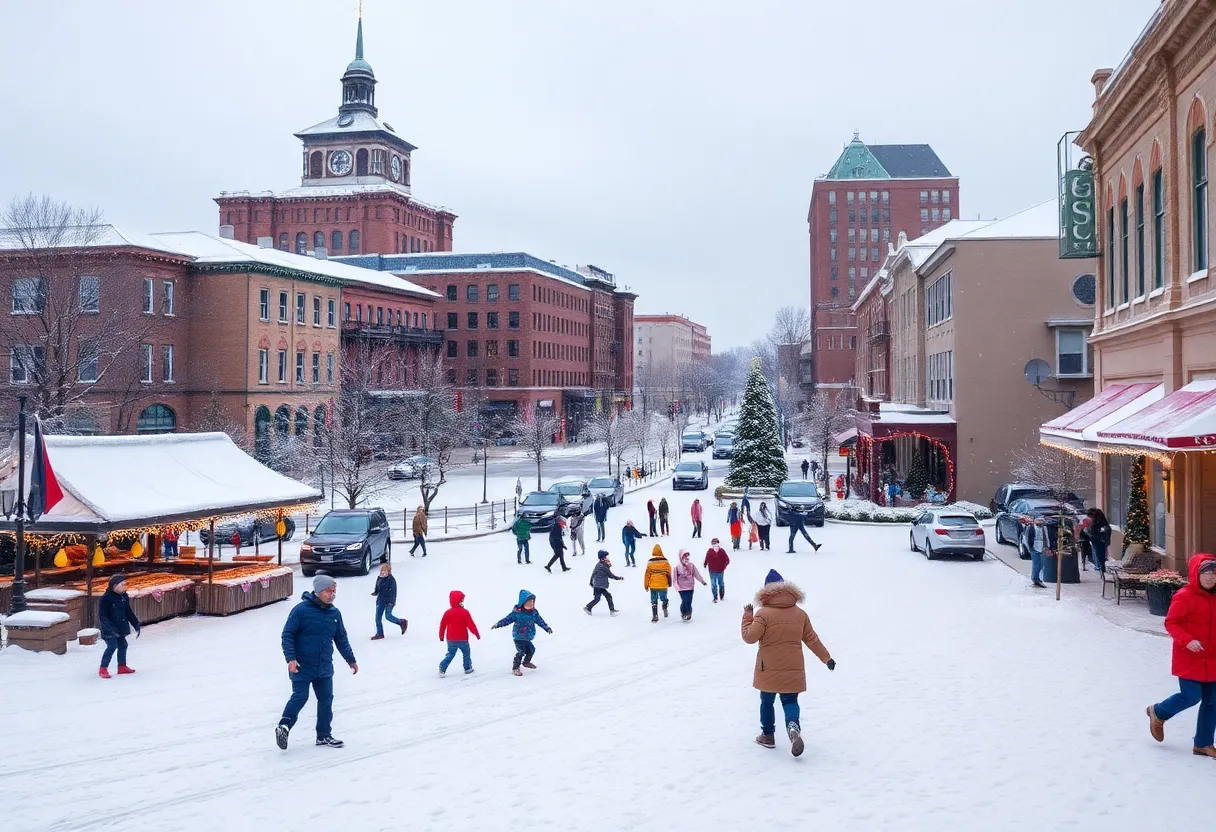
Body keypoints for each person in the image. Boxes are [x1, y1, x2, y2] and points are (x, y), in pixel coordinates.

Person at [742, 569, 835, 757]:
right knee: (790, 700)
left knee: (766, 701)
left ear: (766, 591)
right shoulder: (800, 614)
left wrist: (747, 617)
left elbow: (749, 637)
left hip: (767, 667)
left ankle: (768, 735)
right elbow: (812, 639)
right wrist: (827, 658)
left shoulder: (762, 614)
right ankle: (793, 725)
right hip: (793, 667)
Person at [1146, 554, 1216, 759]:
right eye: (1206, 573)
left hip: (1213, 659)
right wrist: (1188, 640)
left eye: (1214, 573)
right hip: (1190, 656)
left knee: (1212, 701)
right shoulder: (1184, 596)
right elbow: (1172, 623)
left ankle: (1203, 743)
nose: (1211, 577)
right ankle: (1158, 712)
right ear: (1196, 574)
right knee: (1191, 696)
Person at [276, 575, 357, 750]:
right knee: (300, 696)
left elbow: (341, 639)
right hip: (301, 665)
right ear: (319, 591)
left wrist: (350, 659)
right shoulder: (301, 611)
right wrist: (291, 659)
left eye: (334, 591)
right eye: (329, 591)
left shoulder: (334, 613)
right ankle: (284, 726)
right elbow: (287, 635)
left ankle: (324, 735)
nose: (332, 595)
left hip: (324, 665)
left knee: (326, 700)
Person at [491, 589, 552, 676]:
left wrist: (546, 628)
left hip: (528, 636)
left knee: (531, 650)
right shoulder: (517, 613)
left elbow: (540, 621)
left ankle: (526, 662)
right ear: (523, 603)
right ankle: (515, 668)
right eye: (529, 603)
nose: (531, 604)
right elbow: (507, 620)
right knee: (521, 651)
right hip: (518, 636)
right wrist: (498, 624)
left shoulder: (534, 613)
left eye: (532, 603)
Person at [97, 574, 141, 678]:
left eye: (125, 584)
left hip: (121, 626)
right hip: (109, 628)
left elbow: (128, 612)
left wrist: (136, 624)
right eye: (122, 584)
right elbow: (102, 615)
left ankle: (122, 666)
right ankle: (103, 668)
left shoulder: (123, 596)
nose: (124, 587)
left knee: (123, 645)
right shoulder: (106, 598)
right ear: (114, 586)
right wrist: (109, 628)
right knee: (112, 646)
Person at [438, 589, 480, 677]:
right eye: (462, 600)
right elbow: (471, 625)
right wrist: (476, 634)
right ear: (460, 601)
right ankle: (468, 668)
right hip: (463, 639)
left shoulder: (448, 613)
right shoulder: (465, 613)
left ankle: (442, 667)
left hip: (451, 640)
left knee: (451, 654)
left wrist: (441, 635)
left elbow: (442, 625)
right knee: (466, 653)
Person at [371, 559, 408, 640]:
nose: (382, 573)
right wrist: (375, 592)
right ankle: (380, 633)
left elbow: (392, 592)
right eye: (381, 572)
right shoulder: (379, 578)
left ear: (389, 572)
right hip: (381, 600)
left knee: (388, 616)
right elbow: (377, 587)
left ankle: (402, 622)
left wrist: (390, 602)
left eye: (384, 572)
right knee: (377, 618)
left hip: (388, 601)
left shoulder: (391, 580)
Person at [585, 550, 624, 616]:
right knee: (598, 598)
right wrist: (619, 578)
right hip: (599, 585)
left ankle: (611, 610)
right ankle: (588, 607)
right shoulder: (603, 566)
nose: (607, 558)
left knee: (607, 596)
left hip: (598, 585)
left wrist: (591, 581)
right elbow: (611, 575)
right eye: (605, 557)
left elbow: (593, 573)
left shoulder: (599, 564)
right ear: (602, 558)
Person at [674, 549, 708, 621]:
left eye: (687, 556)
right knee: (684, 601)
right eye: (684, 556)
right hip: (681, 587)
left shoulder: (691, 565)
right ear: (681, 557)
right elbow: (674, 578)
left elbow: (696, 574)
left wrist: (702, 581)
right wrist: (676, 586)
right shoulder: (677, 567)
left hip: (690, 586)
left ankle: (688, 613)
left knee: (688, 601)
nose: (686, 558)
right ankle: (684, 613)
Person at [644, 544, 674, 623]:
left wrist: (646, 585)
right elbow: (669, 572)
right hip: (663, 584)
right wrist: (669, 582)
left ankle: (655, 616)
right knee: (663, 598)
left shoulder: (650, 562)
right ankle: (664, 605)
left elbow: (647, 574)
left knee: (653, 600)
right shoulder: (665, 561)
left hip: (653, 585)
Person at [704, 538, 731, 603]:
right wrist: (705, 564)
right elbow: (706, 558)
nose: (715, 546)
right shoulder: (710, 551)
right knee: (713, 584)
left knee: (720, 583)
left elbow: (727, 560)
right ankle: (715, 597)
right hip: (712, 571)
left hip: (720, 571)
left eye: (716, 544)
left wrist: (723, 567)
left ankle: (721, 596)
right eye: (713, 544)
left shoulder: (722, 551)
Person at [1087, 508, 1112, 573]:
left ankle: (1099, 566)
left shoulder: (1097, 522)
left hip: (1097, 539)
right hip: (1101, 540)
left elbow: (1093, 530)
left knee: (1098, 553)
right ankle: (1100, 566)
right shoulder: (1103, 522)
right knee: (1100, 553)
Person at [1027, 518, 1050, 589]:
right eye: (1038, 520)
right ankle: (1035, 578)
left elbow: (1046, 537)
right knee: (1036, 564)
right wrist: (1030, 547)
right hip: (1034, 547)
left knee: (1040, 564)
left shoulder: (1044, 528)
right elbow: (1028, 538)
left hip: (1042, 547)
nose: (1040, 522)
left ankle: (1037, 578)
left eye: (1041, 520)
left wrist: (1047, 547)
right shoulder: (1031, 528)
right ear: (1034, 521)